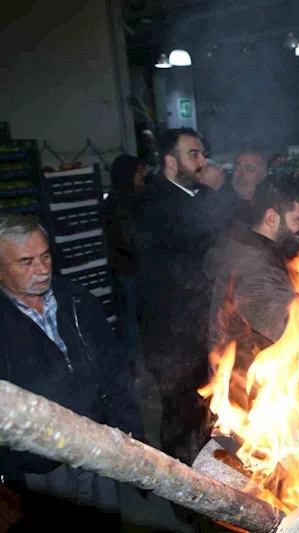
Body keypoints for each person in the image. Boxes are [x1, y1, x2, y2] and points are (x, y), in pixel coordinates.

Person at [0, 215, 143, 530]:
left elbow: (115, 371)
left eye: (45, 256)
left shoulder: (78, 300)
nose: (42, 269)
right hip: (40, 463)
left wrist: (132, 432)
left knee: (104, 522)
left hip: (97, 445)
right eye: (26, 262)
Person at [133, 127, 230, 465]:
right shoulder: (151, 201)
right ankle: (182, 492)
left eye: (203, 154)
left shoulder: (193, 195)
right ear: (170, 161)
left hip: (199, 326)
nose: (203, 161)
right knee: (179, 413)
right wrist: (214, 192)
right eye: (194, 154)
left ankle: (208, 480)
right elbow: (188, 238)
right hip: (170, 335)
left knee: (206, 410)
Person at [203, 179, 299, 398]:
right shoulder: (252, 268)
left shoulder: (254, 249)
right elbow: (290, 327)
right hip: (251, 400)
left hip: (253, 388)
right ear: (272, 219)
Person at [103, 154, 147, 367]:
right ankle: (138, 366)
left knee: (128, 318)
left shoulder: (112, 199)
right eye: (140, 173)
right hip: (132, 270)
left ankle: (135, 363)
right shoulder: (129, 202)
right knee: (134, 320)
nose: (143, 178)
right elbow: (130, 240)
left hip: (120, 268)